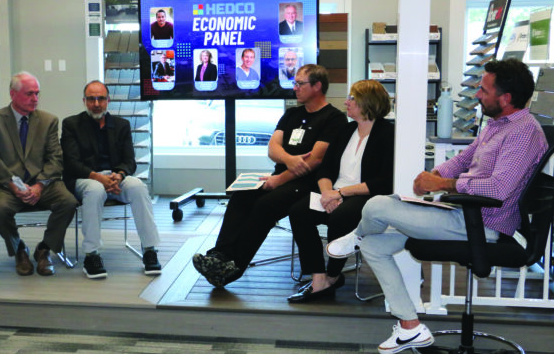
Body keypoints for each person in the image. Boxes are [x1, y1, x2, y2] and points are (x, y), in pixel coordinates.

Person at [326, 58, 548, 354]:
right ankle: (410, 327)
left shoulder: (523, 132)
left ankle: (356, 236)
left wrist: (443, 185)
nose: (477, 95)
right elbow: (463, 159)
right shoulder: (497, 125)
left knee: (377, 206)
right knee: (375, 246)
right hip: (461, 215)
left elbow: (499, 189)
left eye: (483, 90)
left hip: (483, 225)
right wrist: (435, 175)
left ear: (505, 98)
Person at [192, 64, 347, 287]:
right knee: (241, 195)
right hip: (281, 178)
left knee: (265, 205)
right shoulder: (292, 113)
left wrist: (278, 179)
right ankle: (220, 256)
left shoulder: (334, 118)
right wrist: (289, 159)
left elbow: (314, 161)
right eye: (295, 83)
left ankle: (233, 269)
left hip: (308, 185)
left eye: (300, 84)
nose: (295, 88)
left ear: (317, 86)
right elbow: (273, 148)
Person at [287, 80, 394, 303]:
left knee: (340, 217)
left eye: (352, 98)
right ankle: (318, 277)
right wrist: (327, 193)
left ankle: (333, 275)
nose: (346, 102)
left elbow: (383, 181)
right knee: (298, 211)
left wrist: (341, 193)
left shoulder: (388, 134)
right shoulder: (346, 130)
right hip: (334, 194)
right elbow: (325, 169)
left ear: (368, 102)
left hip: (366, 197)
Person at [61, 80, 162, 278]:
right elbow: (71, 163)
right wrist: (98, 178)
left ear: (108, 100)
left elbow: (130, 161)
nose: (96, 103)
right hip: (85, 179)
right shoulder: (71, 124)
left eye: (100, 99)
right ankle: (92, 254)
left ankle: (149, 249)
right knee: (95, 189)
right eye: (91, 99)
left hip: (114, 178)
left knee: (137, 186)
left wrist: (119, 175)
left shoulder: (121, 125)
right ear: (84, 101)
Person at [0, 71, 78, 277]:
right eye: (29, 94)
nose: (35, 99)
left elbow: (55, 159)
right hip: (7, 186)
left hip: (42, 185)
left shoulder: (48, 121)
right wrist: (14, 186)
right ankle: (19, 249)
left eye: (37, 93)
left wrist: (39, 185)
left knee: (68, 202)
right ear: (13, 94)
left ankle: (44, 249)